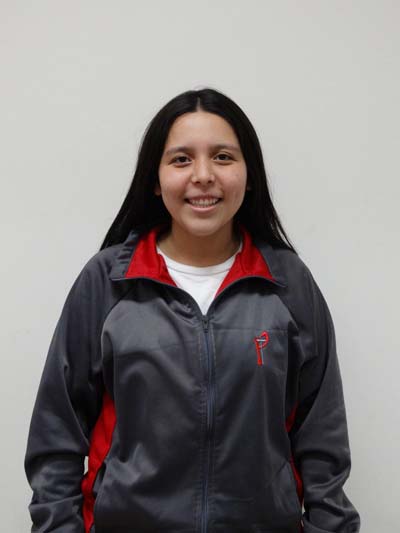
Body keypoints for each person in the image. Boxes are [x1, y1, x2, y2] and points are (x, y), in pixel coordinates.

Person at [24, 87, 361, 533]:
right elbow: (56, 434)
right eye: (181, 159)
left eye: (223, 157)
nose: (203, 175)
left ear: (249, 174)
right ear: (155, 178)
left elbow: (323, 438)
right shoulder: (107, 282)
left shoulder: (288, 283)